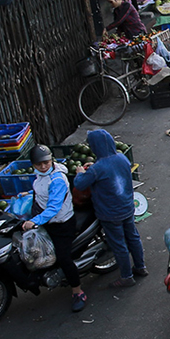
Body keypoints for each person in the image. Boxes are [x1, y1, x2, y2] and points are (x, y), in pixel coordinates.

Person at [73, 129, 144, 287]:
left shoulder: (96, 169)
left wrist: (79, 172)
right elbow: (109, 169)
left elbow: (80, 183)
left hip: (110, 214)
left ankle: (126, 277)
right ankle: (140, 267)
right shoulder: (122, 158)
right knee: (133, 237)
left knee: (119, 245)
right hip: (127, 207)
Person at [19, 146, 86, 312]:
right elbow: (41, 192)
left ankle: (78, 292)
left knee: (63, 258)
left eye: (46, 162)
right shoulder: (40, 176)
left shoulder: (57, 180)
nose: (43, 166)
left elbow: (54, 207)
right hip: (48, 222)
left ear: (51, 161)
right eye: (39, 164)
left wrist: (35, 221)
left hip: (62, 223)